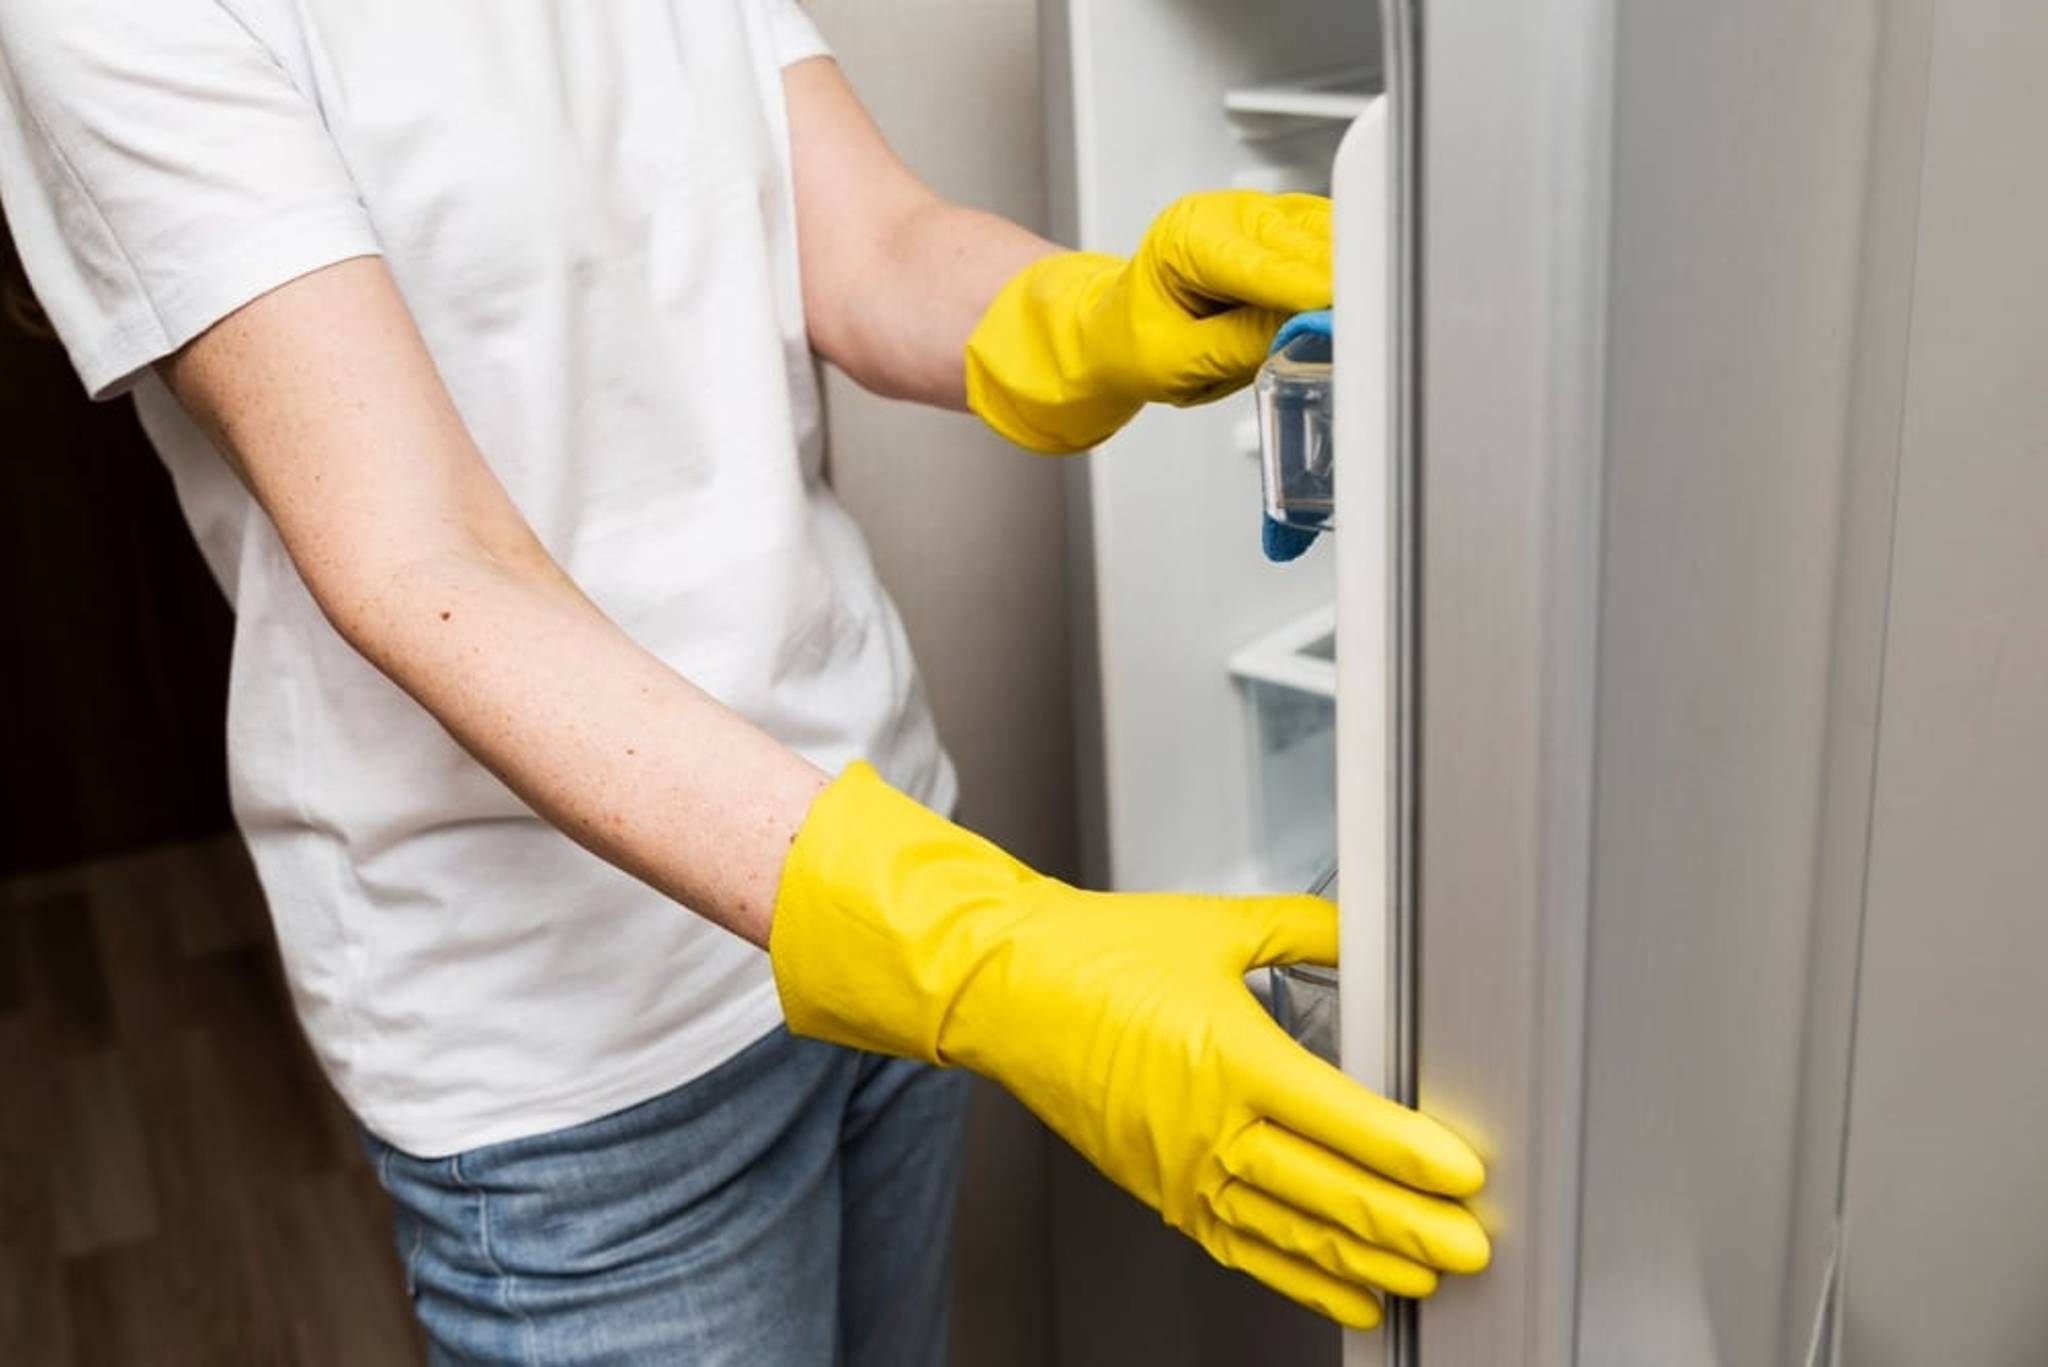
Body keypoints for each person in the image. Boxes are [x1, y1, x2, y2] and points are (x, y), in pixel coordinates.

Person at [0, 3, 1489, 1362]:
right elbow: (422, 561)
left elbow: (868, 249)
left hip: (876, 855)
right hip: (581, 1048)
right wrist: (986, 957)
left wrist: (1092, 314)